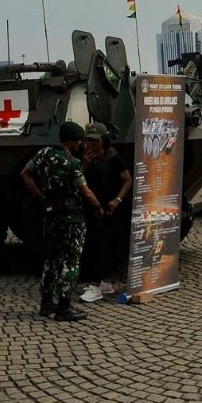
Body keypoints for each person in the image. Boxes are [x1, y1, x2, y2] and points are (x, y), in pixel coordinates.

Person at [20, 121, 104, 321]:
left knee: (51, 259)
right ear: (71, 141)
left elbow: (25, 174)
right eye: (79, 141)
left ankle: (46, 303)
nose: (81, 144)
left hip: (51, 214)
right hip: (72, 218)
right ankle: (64, 307)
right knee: (71, 261)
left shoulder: (44, 154)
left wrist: (40, 198)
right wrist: (98, 207)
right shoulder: (70, 162)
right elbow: (84, 191)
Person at [79, 121, 133, 293]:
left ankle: (101, 282)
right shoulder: (86, 155)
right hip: (92, 206)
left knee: (106, 244)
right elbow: (79, 179)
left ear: (104, 140)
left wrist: (117, 199)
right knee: (93, 243)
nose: (92, 144)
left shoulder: (113, 157)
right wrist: (85, 163)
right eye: (89, 140)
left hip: (109, 208)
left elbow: (127, 180)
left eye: (95, 141)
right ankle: (98, 280)